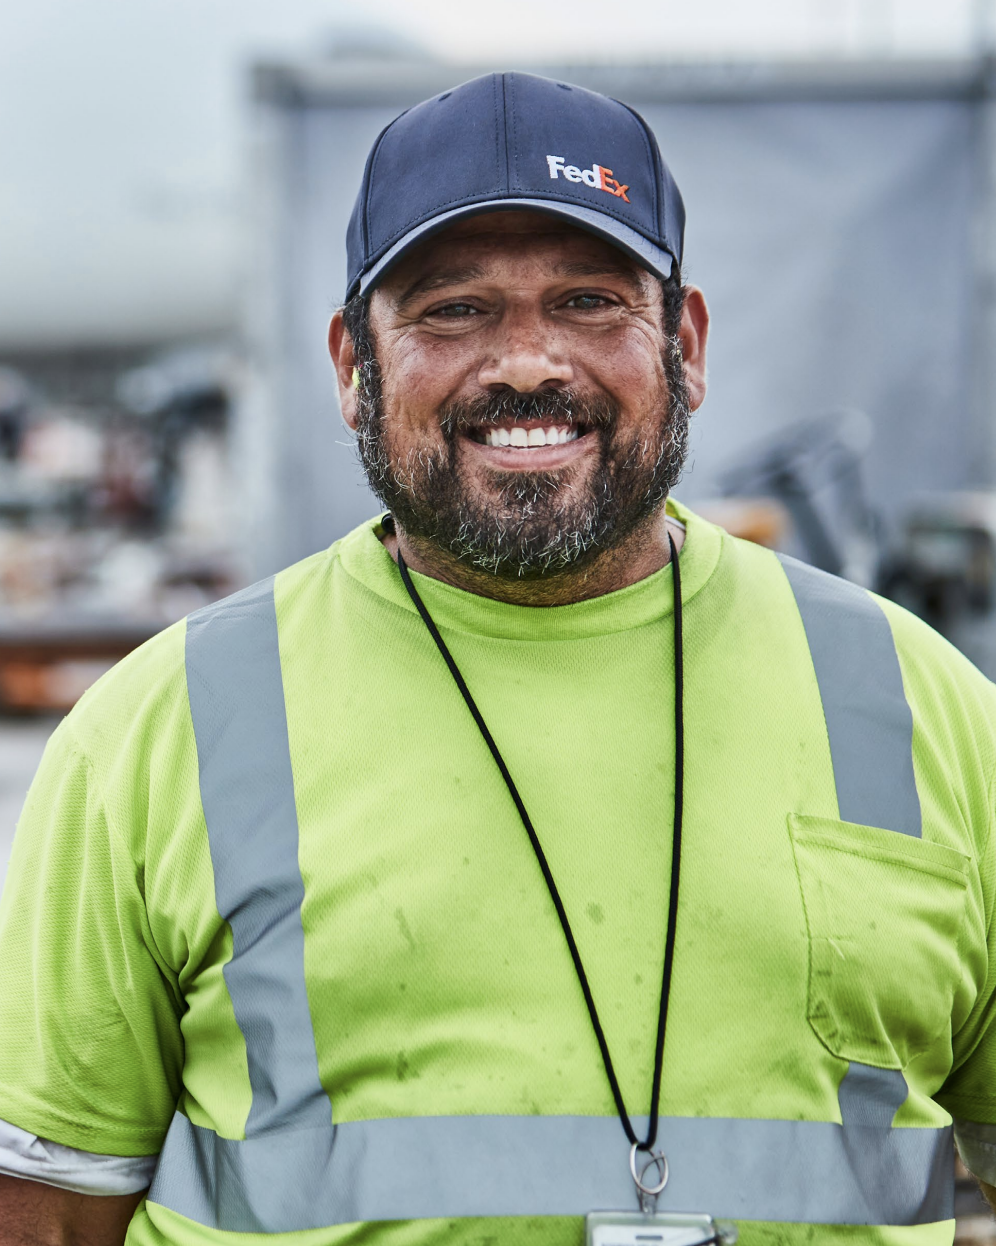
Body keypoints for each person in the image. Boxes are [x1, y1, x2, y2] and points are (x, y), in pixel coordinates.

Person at [0, 70, 994, 1246]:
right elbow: (47, 1214)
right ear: (350, 365)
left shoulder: (924, 703)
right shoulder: (163, 729)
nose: (527, 362)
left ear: (685, 342)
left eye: (588, 300)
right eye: (451, 309)